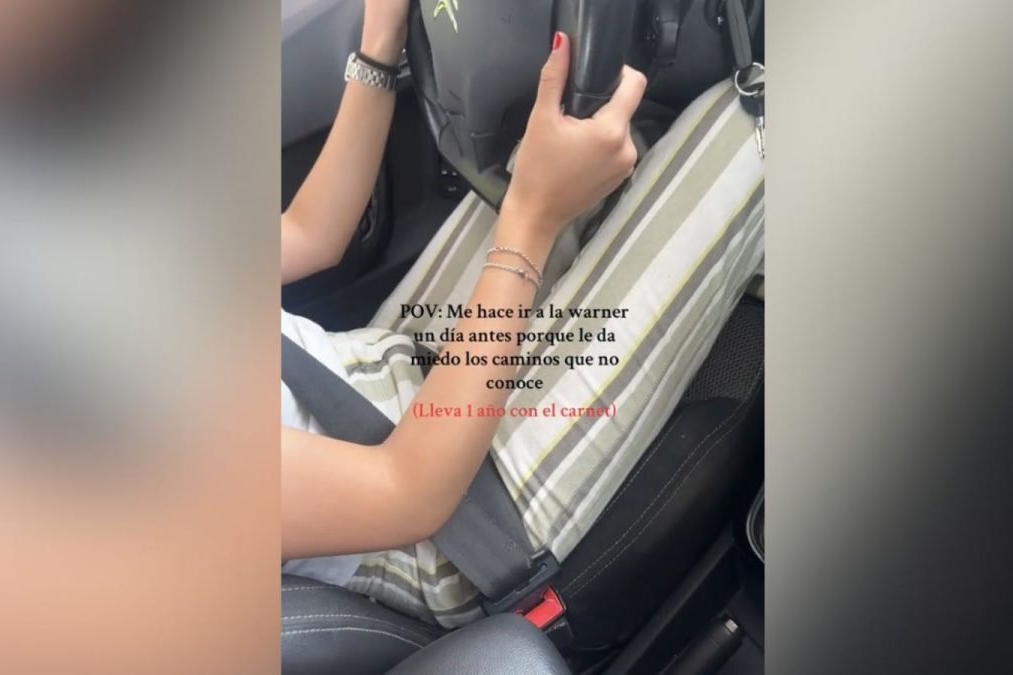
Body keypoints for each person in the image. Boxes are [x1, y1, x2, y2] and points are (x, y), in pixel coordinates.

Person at [282, 1, 764, 627]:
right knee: (756, 121)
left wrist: (381, 39)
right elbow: (405, 493)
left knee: (603, 129)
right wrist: (530, 220)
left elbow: (310, 233)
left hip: (371, 371)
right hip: (457, 528)